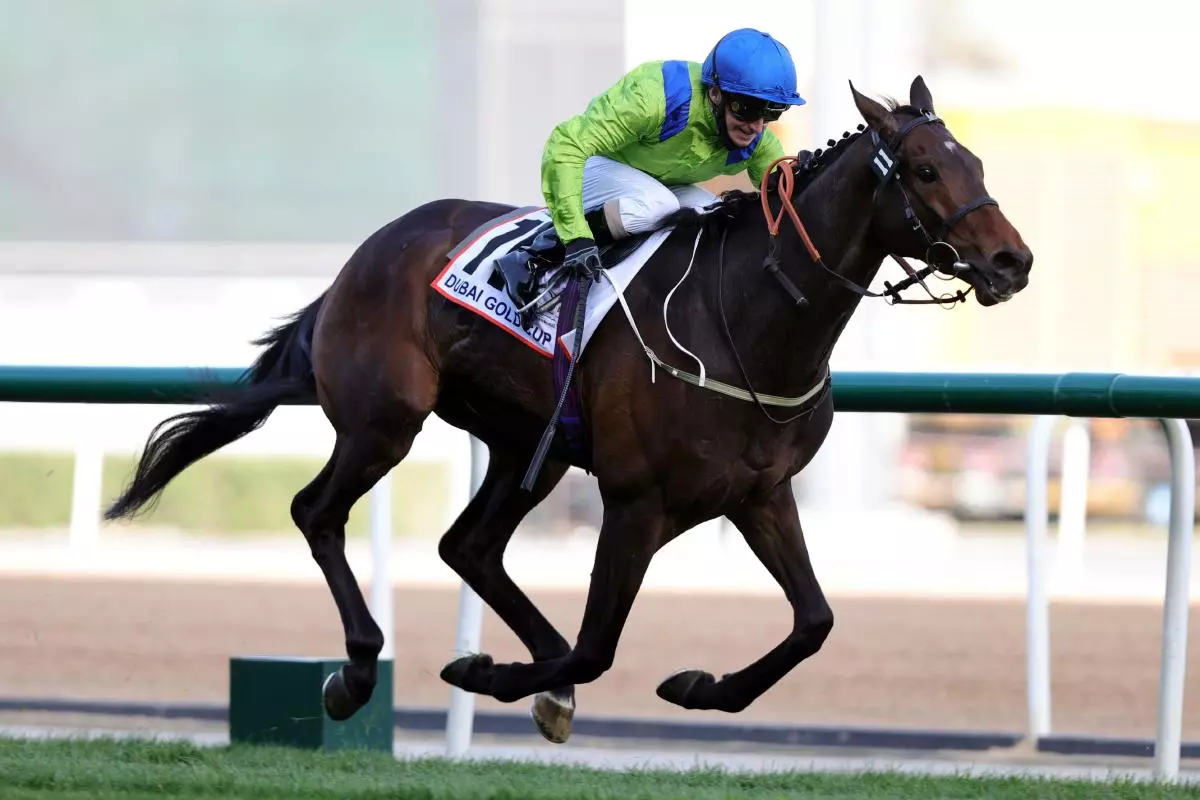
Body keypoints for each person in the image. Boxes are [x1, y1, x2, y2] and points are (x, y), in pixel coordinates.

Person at [496, 27, 807, 310]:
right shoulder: (656, 97)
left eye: (771, 112)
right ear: (715, 93)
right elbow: (565, 146)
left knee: (711, 214)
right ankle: (536, 253)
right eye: (746, 107)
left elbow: (782, 187)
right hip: (592, 166)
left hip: (652, 183)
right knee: (656, 206)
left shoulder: (756, 134)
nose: (756, 125)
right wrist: (576, 236)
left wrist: (808, 173)